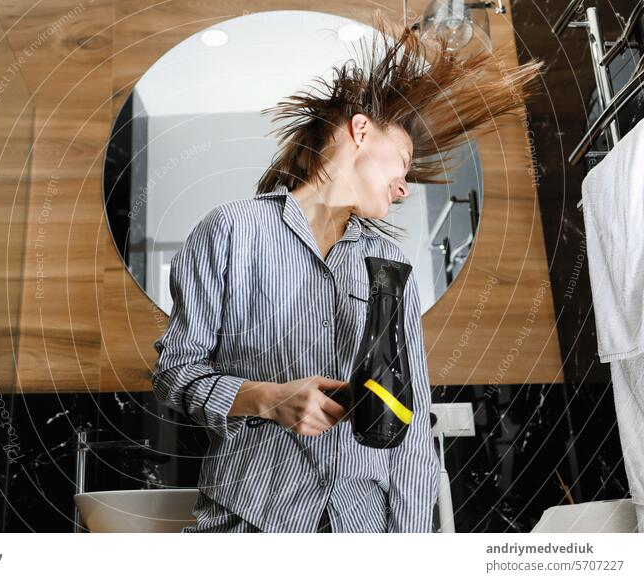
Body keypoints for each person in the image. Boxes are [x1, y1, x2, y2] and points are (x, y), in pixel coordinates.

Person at [152, 13, 544, 533]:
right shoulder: (229, 232)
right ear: (360, 130)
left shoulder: (390, 265)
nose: (405, 187)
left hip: (365, 526)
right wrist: (266, 399)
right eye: (403, 161)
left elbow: (410, 416)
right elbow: (174, 373)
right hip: (248, 521)